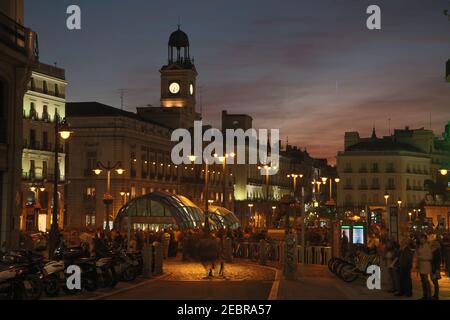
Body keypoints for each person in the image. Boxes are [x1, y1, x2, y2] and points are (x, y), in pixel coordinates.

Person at [416, 234, 432, 300]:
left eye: (422, 238)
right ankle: (424, 295)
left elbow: (430, 257)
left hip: (425, 265)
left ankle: (428, 296)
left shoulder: (427, 246)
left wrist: (421, 257)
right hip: (421, 265)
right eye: (420, 238)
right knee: (423, 282)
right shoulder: (420, 246)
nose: (420, 240)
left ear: (425, 239)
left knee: (426, 281)